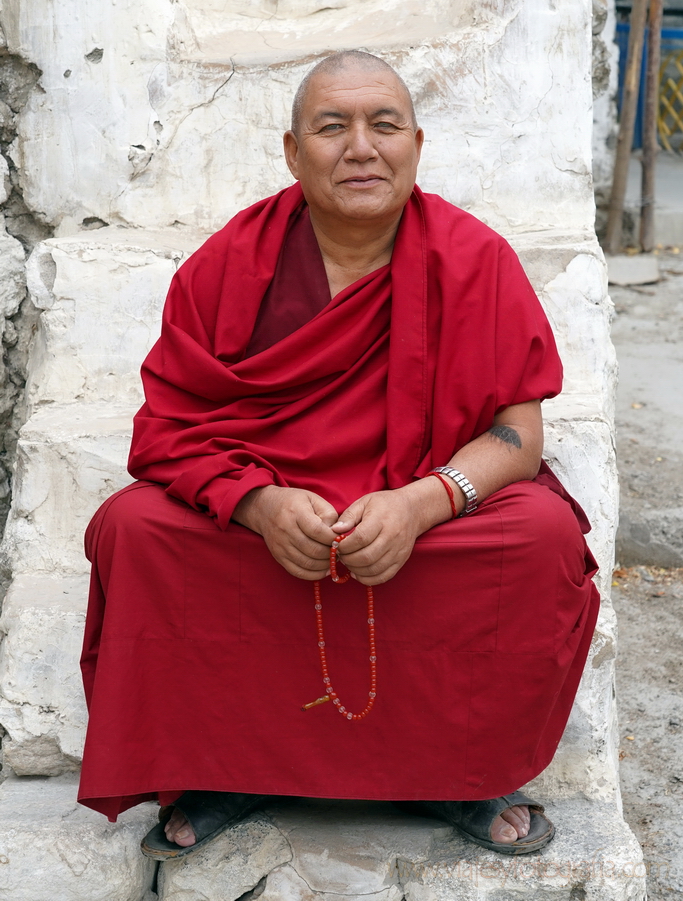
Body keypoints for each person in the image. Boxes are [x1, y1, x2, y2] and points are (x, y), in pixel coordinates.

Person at [78, 50, 600, 860]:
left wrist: (420, 503)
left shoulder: (473, 259)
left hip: (418, 515)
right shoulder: (228, 265)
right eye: (332, 127)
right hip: (273, 519)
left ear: (415, 145)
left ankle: (453, 773)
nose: (361, 147)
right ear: (293, 152)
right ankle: (226, 769)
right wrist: (258, 504)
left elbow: (516, 434)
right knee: (135, 527)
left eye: (383, 124)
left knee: (536, 536)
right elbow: (169, 430)